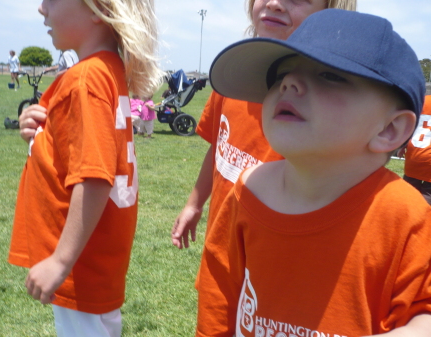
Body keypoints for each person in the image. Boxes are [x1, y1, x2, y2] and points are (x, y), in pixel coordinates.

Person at [196, 9, 430, 337]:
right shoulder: (248, 191)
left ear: (390, 129)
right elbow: (217, 299)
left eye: (329, 75)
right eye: (280, 75)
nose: (289, 82)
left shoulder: (406, 214)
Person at [8, 0, 162, 336]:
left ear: (97, 9)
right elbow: (78, 153)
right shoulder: (107, 70)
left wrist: (60, 261)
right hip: (96, 258)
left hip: (80, 262)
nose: (41, 9)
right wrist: (37, 133)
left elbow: (95, 176)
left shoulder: (86, 79)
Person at [171, 0, 357, 249]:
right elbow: (218, 147)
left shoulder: (326, 104)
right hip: (220, 242)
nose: (274, 4)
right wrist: (194, 203)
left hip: (276, 254)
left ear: (331, 13)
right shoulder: (233, 75)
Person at [399, 95, 431, 204]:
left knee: (409, 191)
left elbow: (408, 123)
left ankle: (404, 217)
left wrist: (403, 145)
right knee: (428, 195)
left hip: (415, 152)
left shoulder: (422, 100)